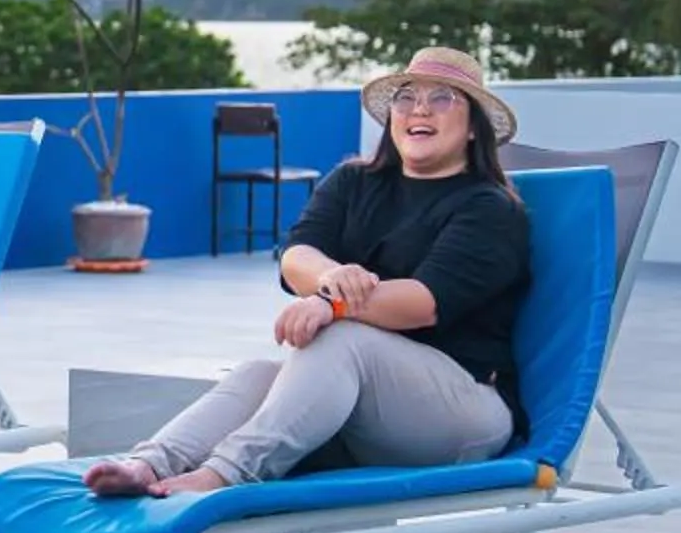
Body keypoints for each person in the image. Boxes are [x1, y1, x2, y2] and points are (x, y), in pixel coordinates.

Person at [84, 46, 532, 498]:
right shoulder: (353, 182)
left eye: (442, 98)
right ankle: (150, 463)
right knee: (260, 373)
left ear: (474, 126)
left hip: (463, 410)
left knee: (339, 338)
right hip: (370, 412)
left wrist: (330, 304)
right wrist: (330, 278)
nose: (419, 108)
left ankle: (224, 475)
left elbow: (423, 303)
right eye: (406, 96)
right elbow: (297, 255)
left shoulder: (488, 208)